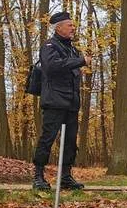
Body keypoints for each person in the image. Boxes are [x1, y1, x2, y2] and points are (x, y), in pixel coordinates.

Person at [32, 11, 89, 191]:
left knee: (71, 142)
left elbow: (71, 70)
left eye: (73, 25)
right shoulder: (49, 46)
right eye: (70, 25)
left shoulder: (72, 49)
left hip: (71, 103)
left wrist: (78, 65)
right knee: (47, 139)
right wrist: (79, 62)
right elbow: (52, 67)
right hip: (54, 102)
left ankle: (65, 176)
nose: (73, 28)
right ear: (59, 27)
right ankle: (38, 176)